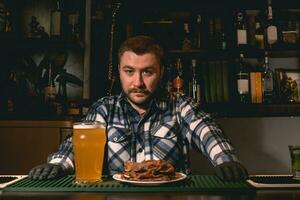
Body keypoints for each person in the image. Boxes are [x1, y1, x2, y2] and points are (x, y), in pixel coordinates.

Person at [29, 35, 248, 182]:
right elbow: (77, 144)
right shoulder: (105, 109)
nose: (138, 83)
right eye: (129, 71)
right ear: (119, 72)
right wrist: (57, 164)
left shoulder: (180, 106)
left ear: (161, 72)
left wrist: (225, 160)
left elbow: (206, 131)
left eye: (147, 72)